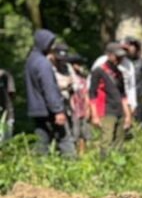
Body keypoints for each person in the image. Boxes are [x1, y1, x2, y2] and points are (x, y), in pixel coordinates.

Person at [24, 28, 76, 157]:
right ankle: (73, 170)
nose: (52, 47)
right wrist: (58, 110)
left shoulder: (30, 61)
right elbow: (49, 88)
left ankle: (40, 172)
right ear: (44, 43)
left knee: (42, 143)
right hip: (49, 110)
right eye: (50, 43)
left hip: (36, 109)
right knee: (65, 141)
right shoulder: (43, 63)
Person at [89, 43, 132, 157]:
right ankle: (104, 166)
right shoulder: (98, 71)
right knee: (106, 141)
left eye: (121, 57)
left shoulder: (120, 73)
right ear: (109, 55)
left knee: (119, 142)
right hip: (106, 111)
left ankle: (118, 168)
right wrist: (94, 115)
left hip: (120, 111)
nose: (120, 59)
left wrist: (128, 115)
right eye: (117, 56)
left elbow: (123, 96)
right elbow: (92, 94)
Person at [68, 55, 92, 155]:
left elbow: (86, 93)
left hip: (83, 107)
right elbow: (70, 94)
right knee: (75, 132)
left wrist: (88, 107)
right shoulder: (70, 78)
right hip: (75, 109)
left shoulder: (84, 78)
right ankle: (75, 153)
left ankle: (83, 153)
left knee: (85, 133)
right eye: (77, 64)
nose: (79, 66)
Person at [0, 66, 16, 142]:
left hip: (7, 116)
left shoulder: (6, 75)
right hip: (6, 115)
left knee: (5, 142)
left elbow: (12, 93)